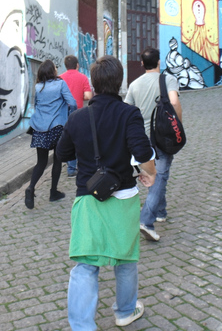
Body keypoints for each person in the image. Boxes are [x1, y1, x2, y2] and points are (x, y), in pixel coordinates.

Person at [57, 55, 157, 330]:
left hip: (88, 199)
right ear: (119, 82)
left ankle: (82, 326)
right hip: (123, 197)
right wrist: (151, 173)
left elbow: (64, 153)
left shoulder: (78, 117)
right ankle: (125, 311)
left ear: (94, 83)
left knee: (86, 264)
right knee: (125, 260)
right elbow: (143, 152)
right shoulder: (129, 114)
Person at [124, 47, 182, 242]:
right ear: (159, 62)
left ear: (142, 64)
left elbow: (127, 110)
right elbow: (174, 102)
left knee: (155, 175)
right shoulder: (168, 80)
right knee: (159, 177)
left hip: (141, 139)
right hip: (163, 137)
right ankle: (146, 220)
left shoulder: (134, 85)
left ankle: (161, 211)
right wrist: (177, 126)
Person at [26, 59, 77, 209]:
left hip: (39, 128)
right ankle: (53, 192)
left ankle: (31, 187)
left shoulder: (38, 86)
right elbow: (72, 103)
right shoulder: (60, 84)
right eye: (55, 68)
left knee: (41, 162)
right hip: (57, 127)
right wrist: (70, 117)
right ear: (52, 71)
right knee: (57, 160)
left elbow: (36, 105)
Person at [59, 55, 93, 177]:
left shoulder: (60, 78)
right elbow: (88, 96)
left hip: (62, 113)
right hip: (78, 113)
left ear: (65, 65)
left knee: (67, 138)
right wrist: (79, 96)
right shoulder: (83, 77)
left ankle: (70, 167)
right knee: (78, 139)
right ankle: (75, 166)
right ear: (77, 65)